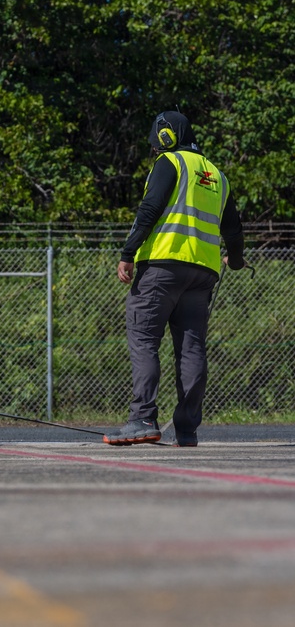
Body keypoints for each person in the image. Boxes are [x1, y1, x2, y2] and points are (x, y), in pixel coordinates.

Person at [105, 110, 244, 447]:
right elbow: (233, 229)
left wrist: (127, 252)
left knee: (144, 341)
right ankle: (186, 429)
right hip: (202, 274)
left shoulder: (170, 163)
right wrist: (236, 260)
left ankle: (142, 418)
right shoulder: (217, 175)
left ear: (166, 137)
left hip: (161, 267)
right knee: (192, 348)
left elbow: (150, 209)